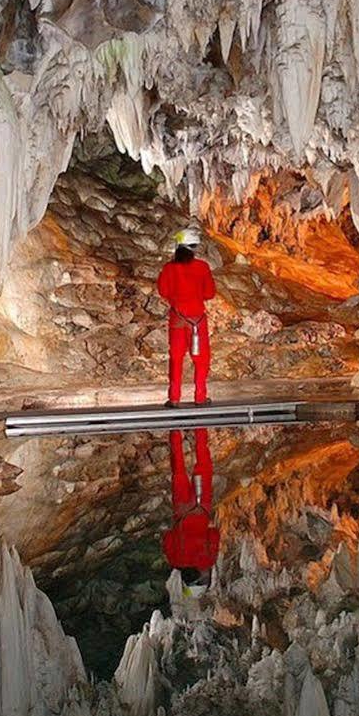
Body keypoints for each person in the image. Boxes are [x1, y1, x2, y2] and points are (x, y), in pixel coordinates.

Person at [156, 228, 216, 404]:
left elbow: (163, 290)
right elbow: (210, 293)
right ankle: (200, 397)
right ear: (194, 247)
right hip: (197, 319)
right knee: (201, 359)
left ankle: (174, 398)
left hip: (178, 319)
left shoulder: (168, 268)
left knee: (176, 357)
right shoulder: (202, 267)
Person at [162, 427, 219, 588]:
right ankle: (175, 431)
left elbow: (214, 534)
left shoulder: (208, 560)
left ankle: (200, 428)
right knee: (178, 469)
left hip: (201, 508)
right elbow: (167, 537)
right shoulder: (175, 561)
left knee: (203, 464)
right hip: (182, 510)